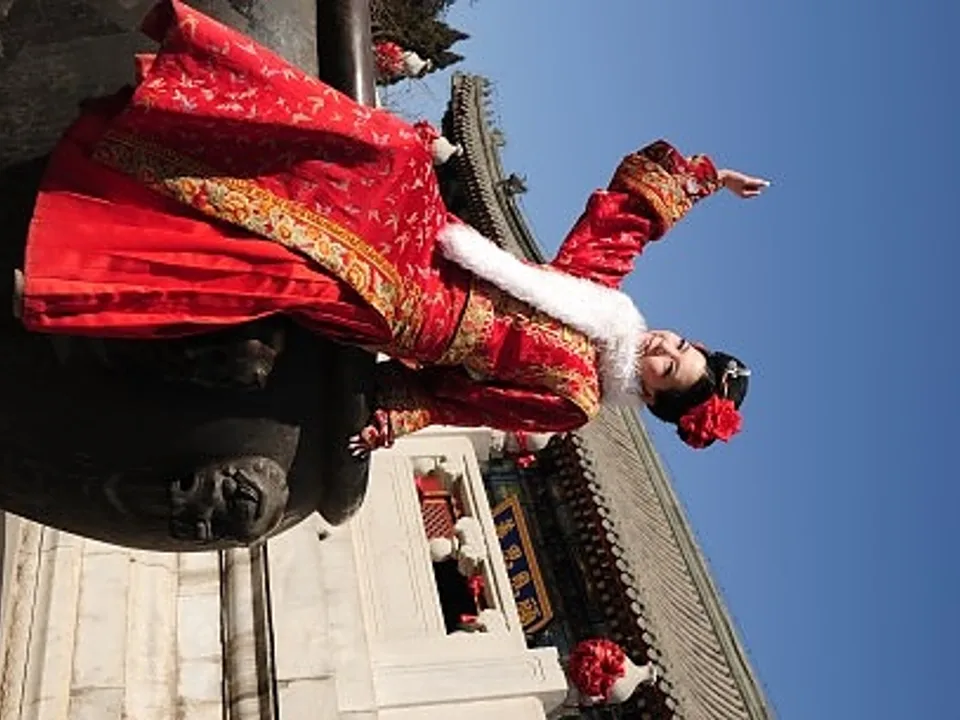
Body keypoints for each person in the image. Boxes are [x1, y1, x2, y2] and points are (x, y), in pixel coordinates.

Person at [19, 1, 768, 453]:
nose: (663, 348)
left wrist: (395, 417)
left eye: (668, 369)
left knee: (298, 267)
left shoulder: (572, 402)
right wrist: (705, 179)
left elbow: (457, 400)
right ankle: (168, 99)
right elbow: (623, 219)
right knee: (388, 149)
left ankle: (82, 264)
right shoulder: (604, 301)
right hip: (438, 243)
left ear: (652, 395)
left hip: (411, 311)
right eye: (681, 345)